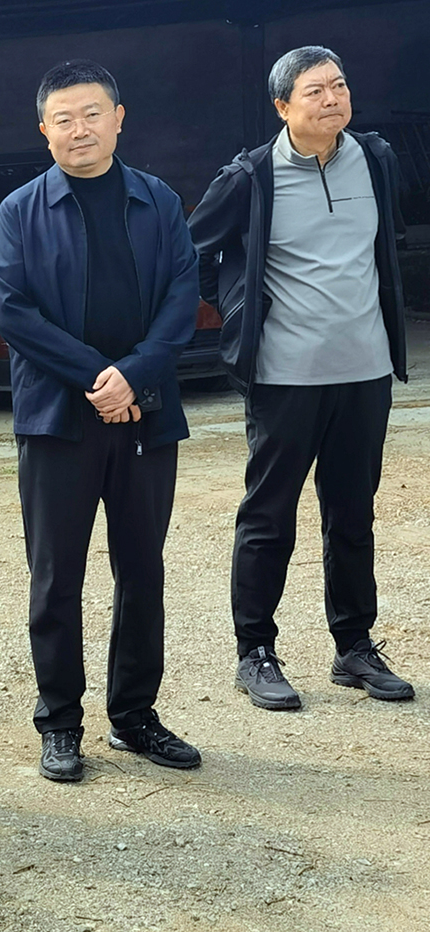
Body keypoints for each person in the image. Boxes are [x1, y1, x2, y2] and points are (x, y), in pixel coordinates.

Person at [0, 61, 202, 779]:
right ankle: (60, 722)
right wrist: (97, 378)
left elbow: (182, 296)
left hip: (145, 414)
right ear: (43, 129)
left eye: (92, 114)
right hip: (59, 420)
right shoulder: (21, 210)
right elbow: (12, 312)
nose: (80, 129)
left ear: (118, 117)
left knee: (142, 570)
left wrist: (135, 374)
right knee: (56, 578)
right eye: (64, 119)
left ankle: (135, 716)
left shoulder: (158, 200)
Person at [188, 46, 413, 710]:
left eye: (340, 85)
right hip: (285, 377)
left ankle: (355, 647)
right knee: (269, 517)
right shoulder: (250, 177)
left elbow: (385, 244)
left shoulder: (375, 159)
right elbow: (192, 251)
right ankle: (255, 653)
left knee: (353, 514)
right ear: (282, 105)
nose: (333, 98)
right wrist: (239, 309)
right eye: (316, 90)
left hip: (365, 371)